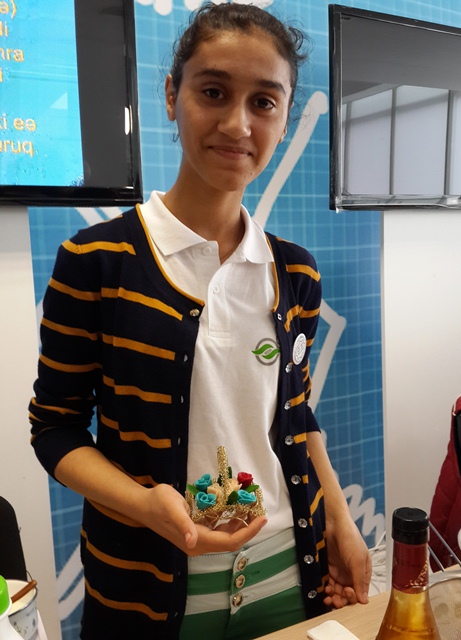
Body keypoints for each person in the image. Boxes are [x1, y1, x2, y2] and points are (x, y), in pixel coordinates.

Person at [28, 3, 371, 639]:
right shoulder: (96, 261)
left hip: (288, 574)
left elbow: (297, 416)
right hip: (145, 589)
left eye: (264, 102)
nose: (237, 124)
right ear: (171, 95)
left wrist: (339, 521)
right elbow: (55, 430)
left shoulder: (295, 273)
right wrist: (144, 506)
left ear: (284, 118)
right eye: (213, 92)